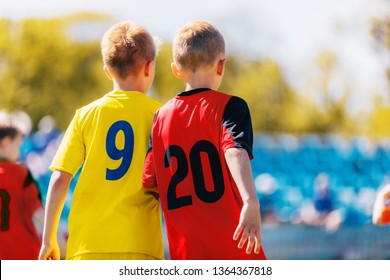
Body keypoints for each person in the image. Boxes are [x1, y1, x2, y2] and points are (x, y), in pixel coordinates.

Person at [39, 20, 164, 260]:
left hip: (87, 245)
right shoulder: (160, 115)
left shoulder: (85, 115)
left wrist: (49, 238)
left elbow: (59, 178)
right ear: (149, 67)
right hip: (140, 244)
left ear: (107, 71)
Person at [142, 21, 266, 260]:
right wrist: (250, 200)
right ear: (221, 66)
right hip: (233, 247)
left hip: (186, 254)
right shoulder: (230, 107)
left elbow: (150, 181)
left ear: (175, 70)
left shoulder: (160, 117)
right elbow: (234, 151)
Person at [0, 113, 44, 259]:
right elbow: (40, 215)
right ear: (6, 143)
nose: (19, 152)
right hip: (24, 253)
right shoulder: (20, 173)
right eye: (18, 145)